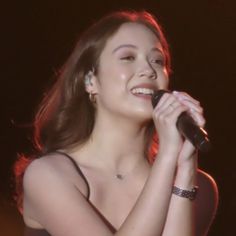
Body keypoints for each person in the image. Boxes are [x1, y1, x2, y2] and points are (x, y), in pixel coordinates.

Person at [15, 10, 219, 236]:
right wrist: (168, 155)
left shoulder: (199, 186)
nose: (148, 70)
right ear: (90, 81)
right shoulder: (48, 175)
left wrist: (186, 168)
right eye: (128, 57)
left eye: (157, 60)